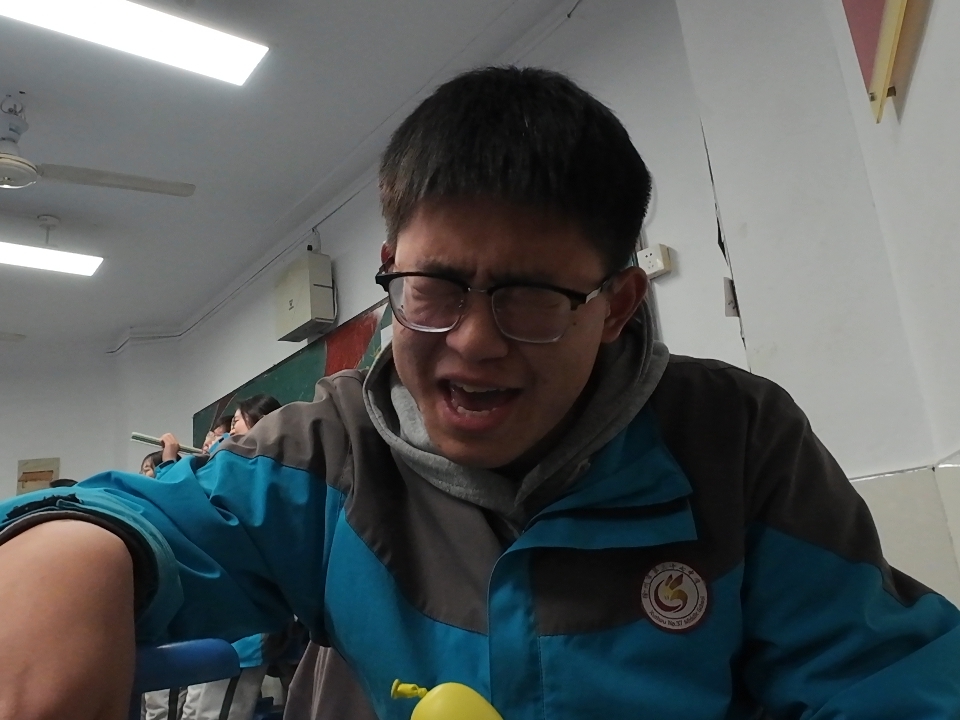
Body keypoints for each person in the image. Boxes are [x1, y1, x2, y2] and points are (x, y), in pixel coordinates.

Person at [1, 66, 959, 720]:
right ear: (390, 270)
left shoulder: (735, 441)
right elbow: (135, 518)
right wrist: (72, 549)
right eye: (436, 287)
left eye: (532, 296)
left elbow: (882, 676)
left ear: (618, 304)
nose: (473, 341)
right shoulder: (329, 454)